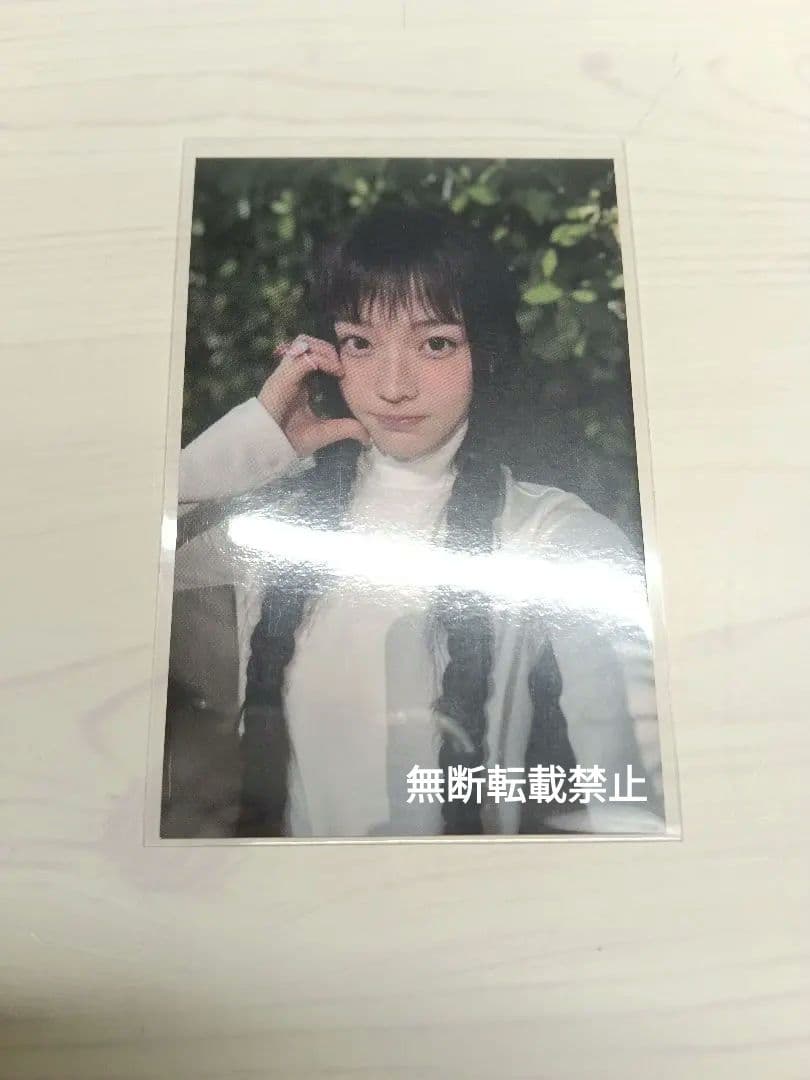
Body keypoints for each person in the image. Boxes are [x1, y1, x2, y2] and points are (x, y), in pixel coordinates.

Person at [167, 204, 664, 839]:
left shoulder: (552, 533)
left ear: (485, 352)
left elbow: (637, 795)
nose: (393, 386)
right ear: (326, 353)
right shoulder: (277, 527)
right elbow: (106, 563)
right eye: (361, 343)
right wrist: (261, 436)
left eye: (435, 344)